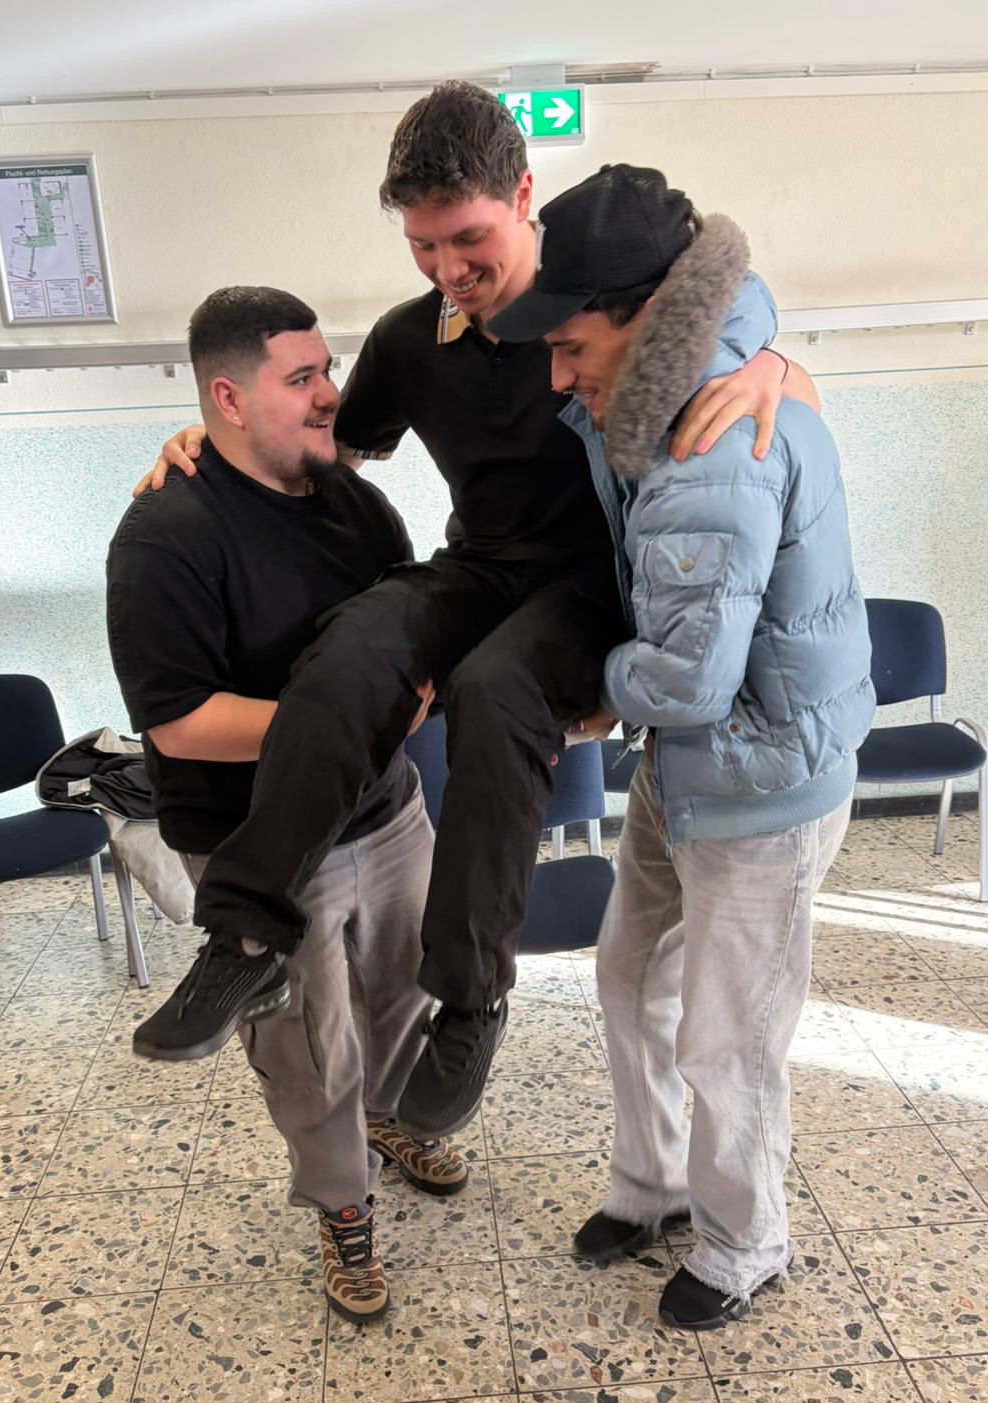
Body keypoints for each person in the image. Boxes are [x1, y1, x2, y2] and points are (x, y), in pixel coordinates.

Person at [131, 84, 816, 1140]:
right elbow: (326, 441)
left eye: (466, 239)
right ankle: (246, 936)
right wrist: (205, 440)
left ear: (523, 197)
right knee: (353, 647)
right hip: (481, 567)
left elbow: (726, 298)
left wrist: (776, 364)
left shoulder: (593, 303)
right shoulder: (413, 340)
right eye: (422, 244)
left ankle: (469, 997)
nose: (447, 267)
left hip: (590, 589)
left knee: (496, 689)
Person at [489, 164, 876, 1331]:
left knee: (729, 1034)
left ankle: (744, 1240)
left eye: (571, 344)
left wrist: (585, 692)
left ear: (649, 313)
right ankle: (652, 1184)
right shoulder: (686, 379)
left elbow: (693, 681)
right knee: (630, 971)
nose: (558, 373)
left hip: (759, 781)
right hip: (699, 766)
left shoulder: (706, 446)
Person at [107, 285, 468, 1326]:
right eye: (301, 378)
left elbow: (412, 640)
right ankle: (342, 1202)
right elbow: (180, 724)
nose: (330, 396)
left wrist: (409, 699)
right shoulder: (166, 536)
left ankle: (389, 1120)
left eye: (328, 370)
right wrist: (336, 720)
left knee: (404, 991)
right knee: (308, 1048)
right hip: (258, 848)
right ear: (227, 400)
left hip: (388, 813)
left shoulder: (356, 506)